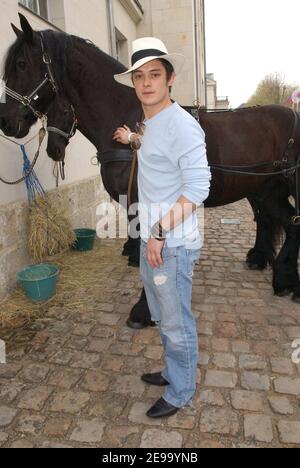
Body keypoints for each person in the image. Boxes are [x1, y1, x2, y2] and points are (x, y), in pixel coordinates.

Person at [113, 37, 211, 418]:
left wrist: (159, 233)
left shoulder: (183, 126)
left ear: (170, 79)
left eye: (155, 74)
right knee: (160, 314)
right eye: (139, 76)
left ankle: (182, 390)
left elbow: (198, 187)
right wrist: (131, 139)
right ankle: (173, 372)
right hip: (151, 238)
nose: (146, 82)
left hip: (170, 242)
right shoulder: (152, 122)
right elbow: (154, 150)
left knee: (175, 321)